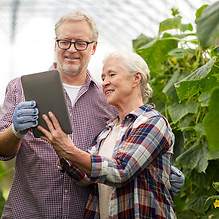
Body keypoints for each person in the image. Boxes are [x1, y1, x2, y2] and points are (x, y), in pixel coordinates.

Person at [0, 10, 184, 218]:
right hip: (29, 211)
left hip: (82, 212)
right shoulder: (22, 88)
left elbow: (125, 153)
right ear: (55, 44)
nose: (72, 49)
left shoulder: (108, 98)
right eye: (65, 42)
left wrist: (157, 170)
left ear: (93, 47)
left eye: (80, 43)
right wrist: (15, 131)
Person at [38, 51, 176, 218]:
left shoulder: (153, 121)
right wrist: (59, 148)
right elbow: (85, 177)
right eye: (103, 78)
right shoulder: (107, 131)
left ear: (136, 78)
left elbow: (121, 171)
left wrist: (70, 150)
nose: (104, 83)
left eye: (112, 74)